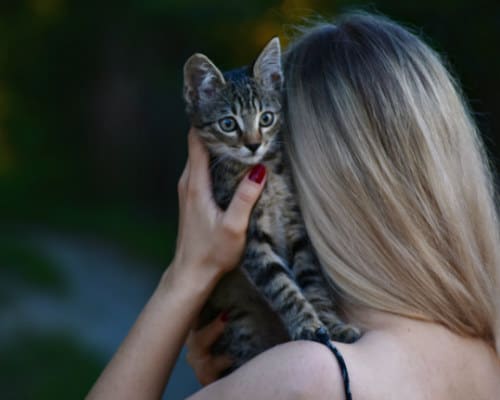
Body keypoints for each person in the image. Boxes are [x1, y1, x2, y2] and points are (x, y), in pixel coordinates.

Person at [87, 12, 500, 400]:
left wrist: (184, 277)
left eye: (282, 142)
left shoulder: (309, 376)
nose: (261, 151)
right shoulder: (488, 350)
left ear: (330, 174)